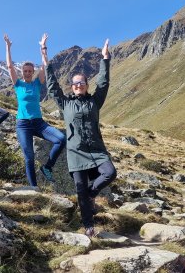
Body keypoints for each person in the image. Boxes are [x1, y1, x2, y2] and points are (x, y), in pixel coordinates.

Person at [44, 38, 117, 237]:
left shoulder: (95, 101)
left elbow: (103, 83)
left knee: (110, 173)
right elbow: (52, 87)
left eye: (82, 83)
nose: (78, 85)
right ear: (72, 86)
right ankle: (88, 225)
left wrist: (105, 59)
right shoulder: (65, 103)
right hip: (76, 152)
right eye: (75, 83)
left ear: (86, 85)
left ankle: (91, 195)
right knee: (79, 188)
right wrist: (45, 59)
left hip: (96, 149)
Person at [5, 33, 66, 186]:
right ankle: (34, 188)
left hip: (39, 123)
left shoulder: (37, 83)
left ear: (33, 72)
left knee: (61, 139)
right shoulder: (18, 84)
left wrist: (43, 47)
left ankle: (47, 167)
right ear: (22, 72)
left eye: (30, 71)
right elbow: (9, 66)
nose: (27, 73)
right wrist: (8, 47)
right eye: (25, 71)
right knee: (29, 157)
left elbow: (45, 65)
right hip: (23, 124)